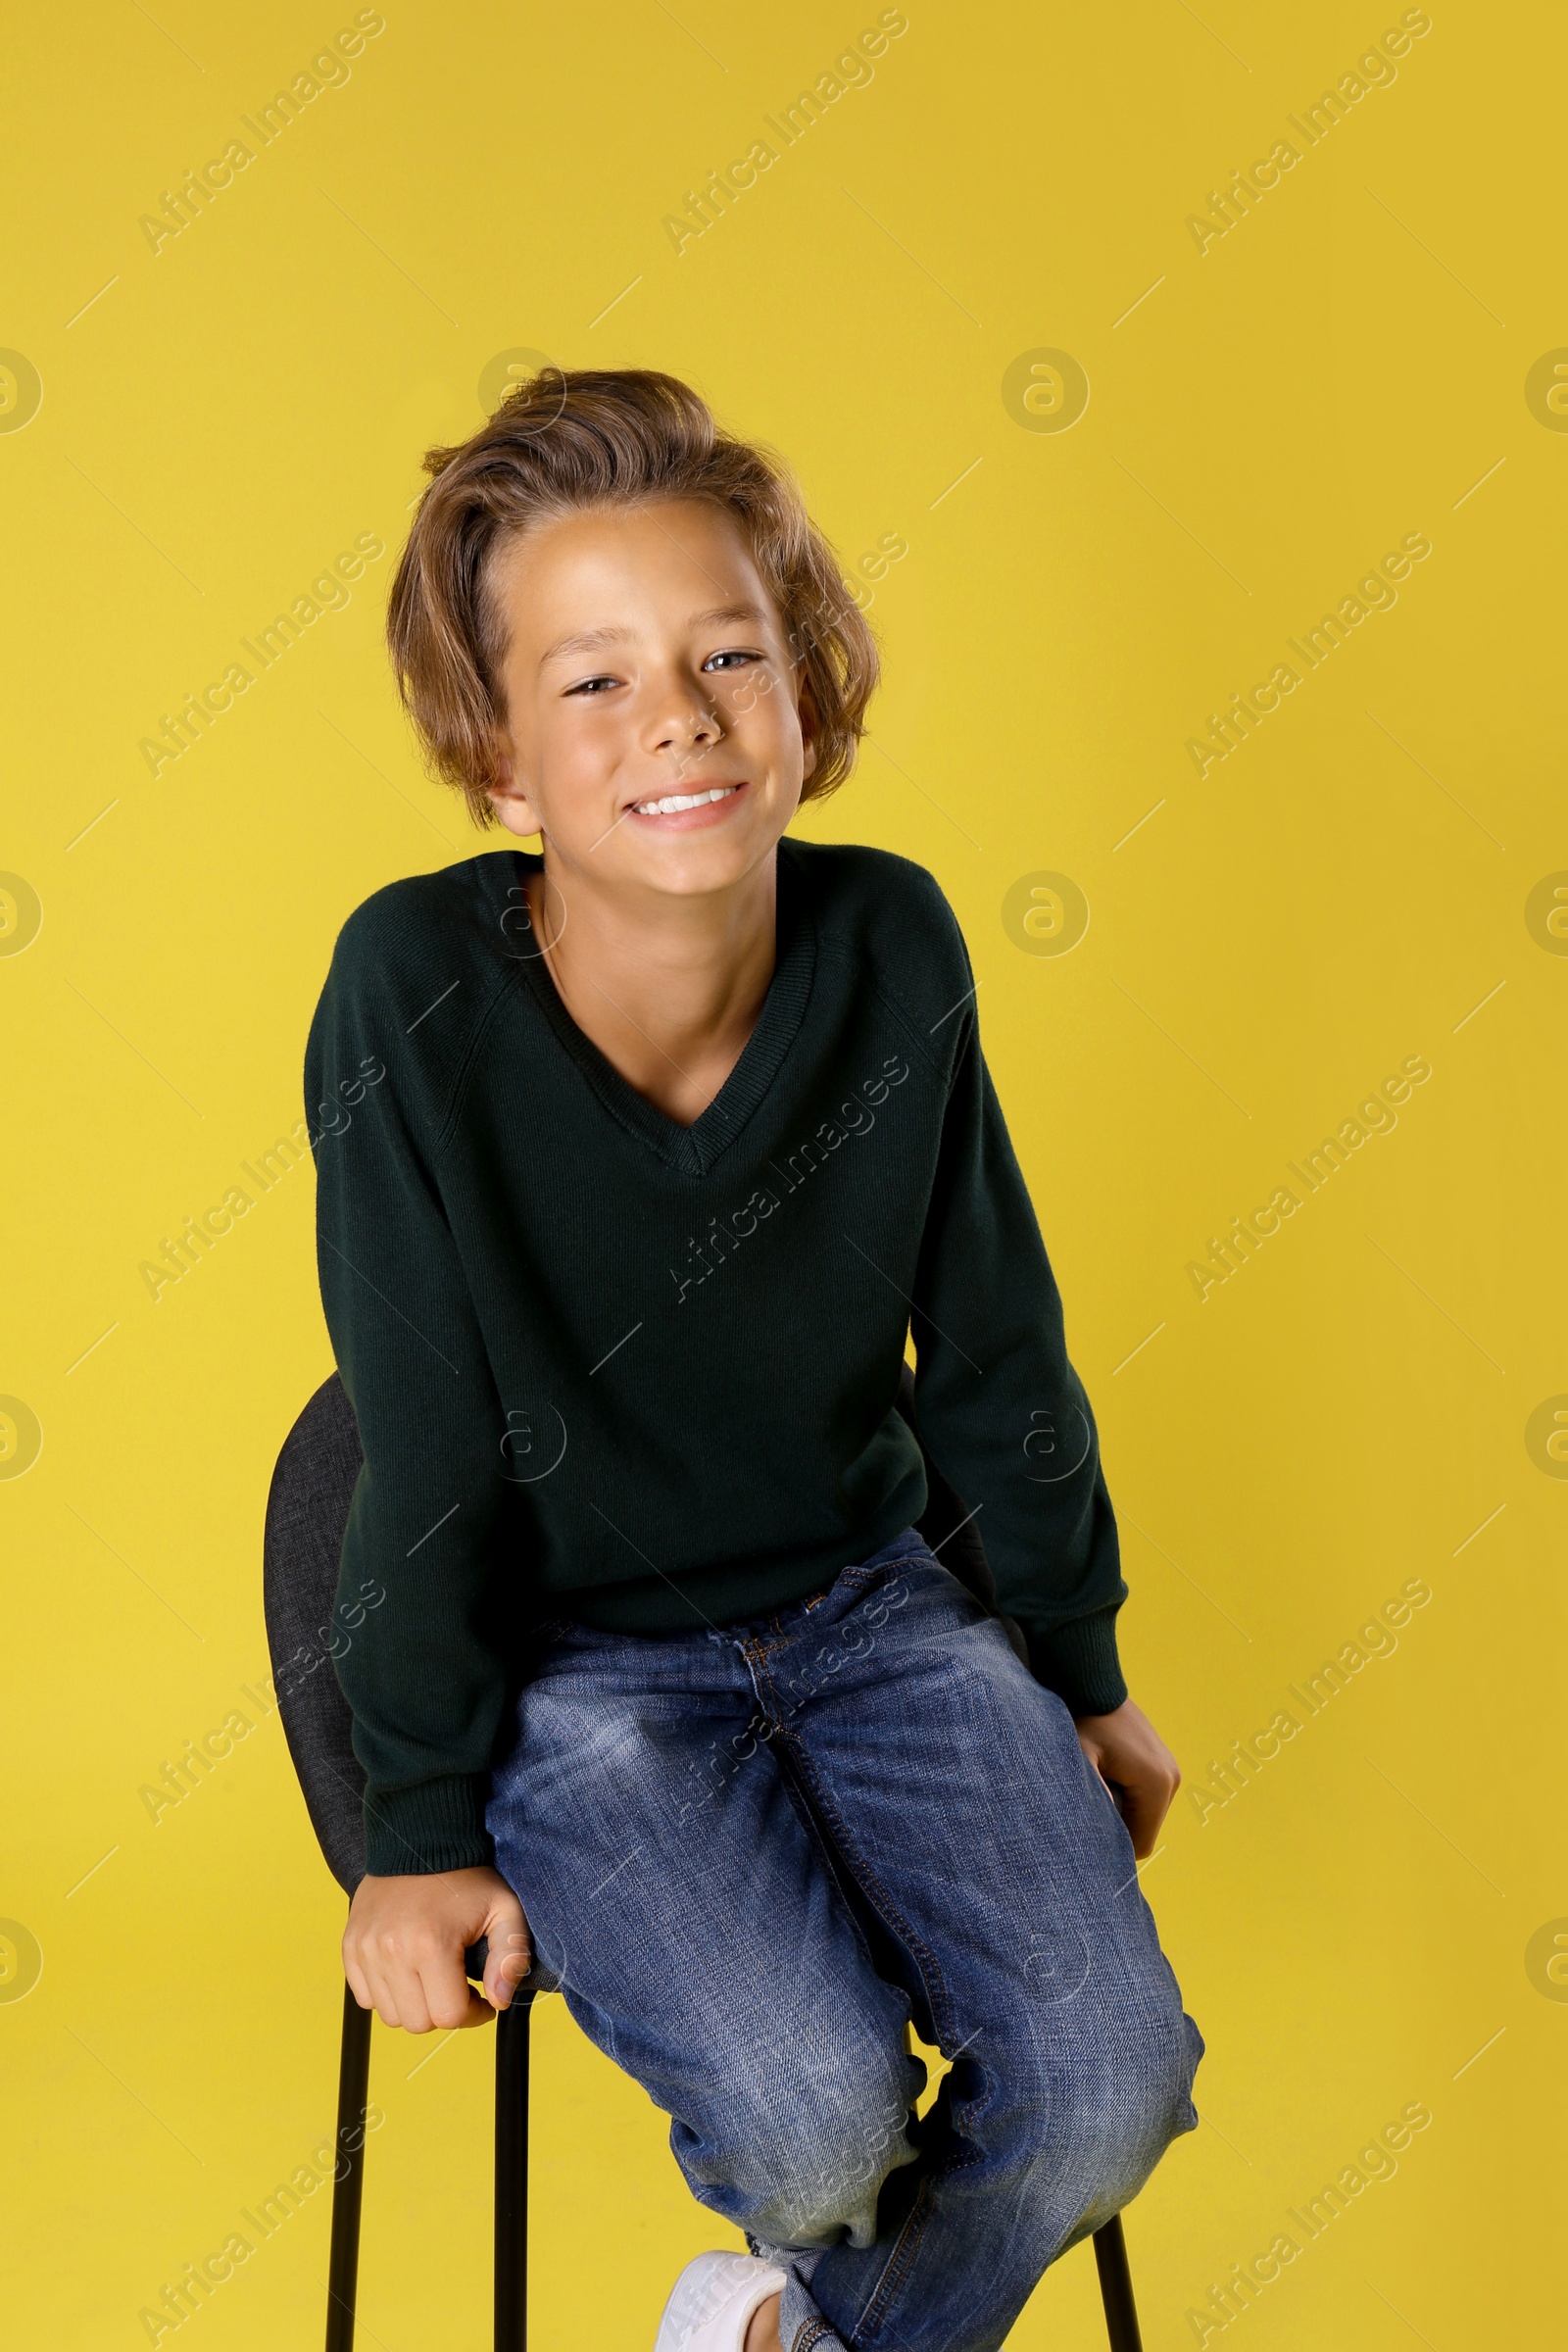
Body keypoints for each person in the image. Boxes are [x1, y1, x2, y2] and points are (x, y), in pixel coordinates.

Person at [306, 368, 1202, 2352]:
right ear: (499, 760)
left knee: (1112, 2084)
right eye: (594, 682)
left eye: (725, 653)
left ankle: (776, 2330)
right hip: (574, 1667)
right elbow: (428, 1442)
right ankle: (809, 2284)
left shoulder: (891, 946)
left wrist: (1080, 1670)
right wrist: (416, 1831)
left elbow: (992, 1348)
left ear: (809, 692)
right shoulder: (409, 991)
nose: (681, 719)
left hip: (874, 1614)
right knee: (812, 2129)